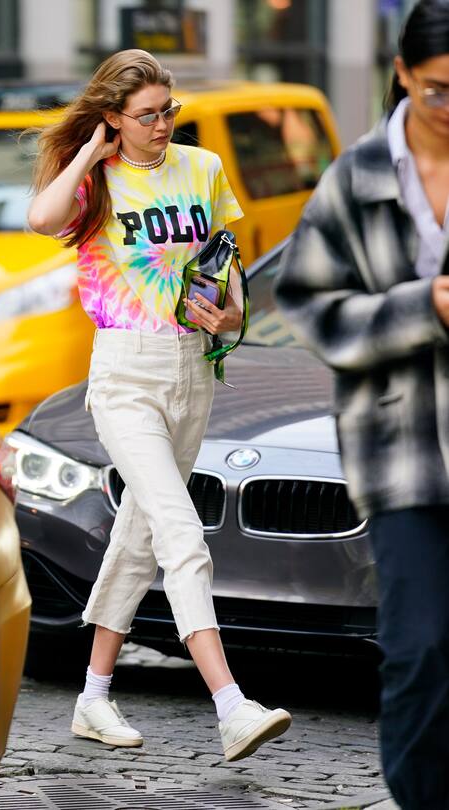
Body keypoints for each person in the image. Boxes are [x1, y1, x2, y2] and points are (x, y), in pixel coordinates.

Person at [28, 49, 292, 762]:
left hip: (192, 371)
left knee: (139, 535)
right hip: (125, 376)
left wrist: (230, 316)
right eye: (146, 115)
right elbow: (41, 218)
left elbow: (225, 267)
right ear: (113, 118)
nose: (163, 124)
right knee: (180, 531)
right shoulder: (96, 182)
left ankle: (92, 696)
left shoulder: (202, 168)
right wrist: (89, 153)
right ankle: (231, 705)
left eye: (168, 110)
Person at [274, 2, 449, 807]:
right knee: (420, 648)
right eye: (439, 90)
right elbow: (307, 303)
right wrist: (421, 308)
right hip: (400, 453)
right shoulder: (358, 177)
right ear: (403, 74)